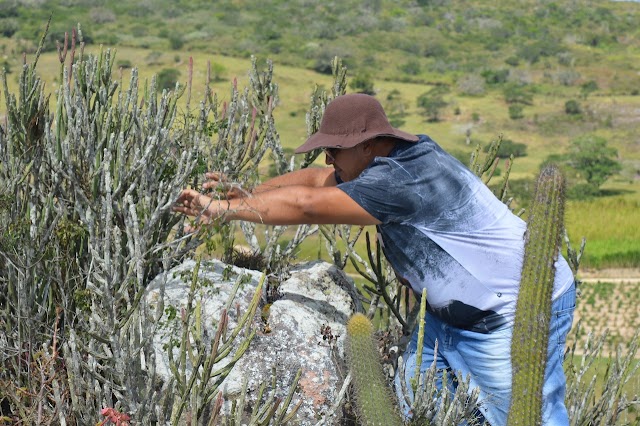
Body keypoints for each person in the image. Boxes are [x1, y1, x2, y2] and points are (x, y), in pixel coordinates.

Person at [173, 93, 576, 425]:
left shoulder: (399, 183)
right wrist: (243, 195)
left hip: (513, 314)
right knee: (421, 405)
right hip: (447, 316)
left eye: (333, 149)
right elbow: (316, 180)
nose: (328, 158)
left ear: (367, 145)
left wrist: (220, 210)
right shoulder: (387, 158)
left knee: (527, 418)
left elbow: (308, 206)